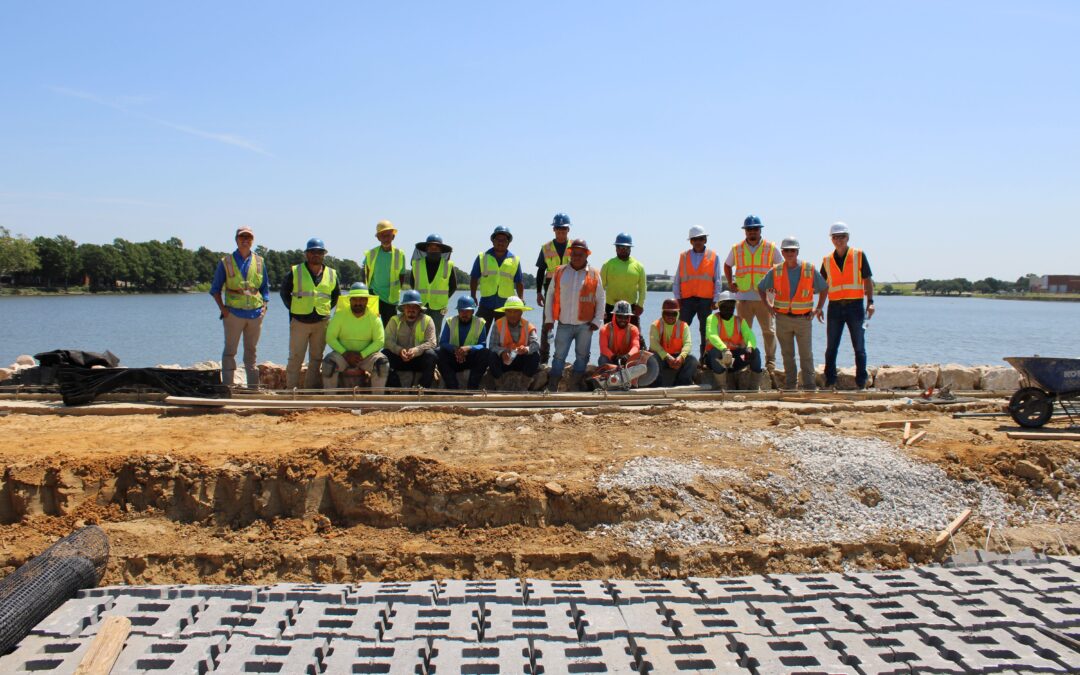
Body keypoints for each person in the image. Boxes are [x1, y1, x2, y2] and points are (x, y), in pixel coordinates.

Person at [757, 237, 828, 390]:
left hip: (804, 319)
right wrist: (768, 306)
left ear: (797, 252)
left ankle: (809, 386)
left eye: (793, 250)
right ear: (782, 252)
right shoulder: (776, 271)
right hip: (783, 319)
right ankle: (790, 386)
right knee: (787, 355)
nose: (790, 253)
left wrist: (819, 308)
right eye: (787, 250)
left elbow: (824, 287)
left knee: (806, 355)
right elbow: (761, 287)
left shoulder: (809, 269)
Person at [210, 226, 269, 387]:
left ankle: (253, 389)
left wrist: (264, 307)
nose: (245, 240)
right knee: (230, 352)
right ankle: (228, 387)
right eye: (242, 237)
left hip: (255, 314)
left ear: (252, 241)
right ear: (236, 240)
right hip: (233, 314)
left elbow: (265, 287)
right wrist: (223, 310)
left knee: (251, 353)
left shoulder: (259, 261)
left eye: (249, 238)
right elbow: (215, 289)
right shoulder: (226, 262)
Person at [544, 239, 605, 391]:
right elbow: (550, 295)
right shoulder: (560, 272)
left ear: (586, 255)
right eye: (574, 253)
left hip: (585, 325)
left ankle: (575, 384)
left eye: (580, 254)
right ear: (570, 254)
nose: (577, 257)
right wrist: (549, 319)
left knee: (582, 356)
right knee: (558, 355)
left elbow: (600, 298)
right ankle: (553, 385)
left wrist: (597, 321)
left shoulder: (594, 274)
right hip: (564, 323)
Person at [821, 221, 875, 389]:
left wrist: (870, 302)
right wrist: (819, 307)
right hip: (835, 307)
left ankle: (861, 381)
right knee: (831, 347)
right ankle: (830, 380)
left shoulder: (859, 255)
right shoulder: (827, 260)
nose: (839, 240)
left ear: (848, 237)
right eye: (835, 237)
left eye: (842, 237)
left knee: (859, 346)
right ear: (831, 239)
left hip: (855, 307)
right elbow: (822, 286)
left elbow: (868, 280)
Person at [724, 215, 781, 373]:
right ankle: (744, 361)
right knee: (743, 332)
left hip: (764, 298)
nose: (752, 232)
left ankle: (770, 363)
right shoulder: (737, 248)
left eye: (755, 229)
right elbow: (727, 265)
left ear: (760, 230)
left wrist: (775, 286)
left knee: (768, 331)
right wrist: (730, 282)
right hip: (743, 297)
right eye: (749, 229)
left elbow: (781, 268)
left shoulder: (771, 247)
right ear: (745, 231)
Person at [280, 237, 339, 389]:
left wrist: (323, 309)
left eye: (319, 252)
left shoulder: (332, 274)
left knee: (316, 359)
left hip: (321, 322)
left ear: (324, 254)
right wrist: (295, 309)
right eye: (312, 252)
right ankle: (291, 392)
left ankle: (309, 391)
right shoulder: (295, 271)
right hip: (299, 322)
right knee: (295, 358)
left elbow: (335, 296)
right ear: (306, 254)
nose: (316, 255)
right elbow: (284, 292)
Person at [321, 283, 389, 391]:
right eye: (355, 299)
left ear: (367, 301)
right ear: (350, 300)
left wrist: (362, 354)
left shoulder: (375, 318)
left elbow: (379, 341)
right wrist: (345, 353)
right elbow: (330, 337)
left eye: (361, 299)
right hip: (343, 355)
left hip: (366, 356)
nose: (358, 302)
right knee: (328, 364)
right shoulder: (339, 315)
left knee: (382, 364)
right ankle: (329, 400)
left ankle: (377, 401)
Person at [674, 225, 723, 358]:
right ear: (691, 241)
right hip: (686, 300)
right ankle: (677, 354)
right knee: (681, 328)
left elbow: (717, 280)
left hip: (705, 300)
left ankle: (704, 358)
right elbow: (677, 279)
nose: (698, 241)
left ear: (705, 240)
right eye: (695, 239)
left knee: (705, 331)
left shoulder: (713, 256)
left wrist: (715, 299)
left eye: (701, 239)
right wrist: (677, 298)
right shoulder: (683, 256)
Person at [704, 291, 763, 388]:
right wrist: (724, 349)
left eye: (731, 305)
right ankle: (722, 386)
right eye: (725, 305)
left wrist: (750, 347)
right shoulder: (712, 318)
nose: (728, 308)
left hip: (735, 360)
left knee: (755, 352)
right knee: (715, 352)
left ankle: (754, 386)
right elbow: (712, 334)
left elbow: (750, 335)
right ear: (719, 306)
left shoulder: (740, 321)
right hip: (716, 359)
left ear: (734, 306)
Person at [535, 213, 572, 363]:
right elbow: (540, 271)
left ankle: (561, 358)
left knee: (566, 325)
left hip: (569, 291)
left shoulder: (575, 246)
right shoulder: (546, 248)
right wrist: (538, 292)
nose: (561, 231)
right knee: (547, 324)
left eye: (563, 229)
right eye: (558, 228)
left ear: (568, 229)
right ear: (554, 229)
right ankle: (543, 359)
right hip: (550, 289)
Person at [383, 289, 438, 388]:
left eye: (414, 307)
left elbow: (432, 342)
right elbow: (387, 341)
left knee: (431, 355)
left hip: (418, 359)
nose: (411, 310)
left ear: (419, 308)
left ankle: (423, 387)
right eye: (408, 306)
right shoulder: (394, 320)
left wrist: (416, 350)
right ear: (403, 308)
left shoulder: (427, 320)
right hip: (400, 358)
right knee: (384, 354)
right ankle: (395, 387)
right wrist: (399, 350)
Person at [471, 226, 525, 324]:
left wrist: (521, 299)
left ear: (508, 242)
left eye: (504, 240)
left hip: (505, 306)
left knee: (503, 336)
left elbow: (519, 282)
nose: (501, 242)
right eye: (498, 240)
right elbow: (474, 277)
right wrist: (473, 295)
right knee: (478, 332)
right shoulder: (482, 257)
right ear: (493, 241)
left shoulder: (514, 260)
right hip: (486, 303)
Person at [597, 300, 658, 387]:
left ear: (629, 317)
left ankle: (633, 383)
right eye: (620, 316)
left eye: (626, 317)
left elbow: (636, 346)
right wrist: (613, 357)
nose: (623, 320)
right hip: (611, 360)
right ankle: (607, 384)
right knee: (602, 359)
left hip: (628, 361)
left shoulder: (633, 329)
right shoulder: (605, 329)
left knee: (640, 359)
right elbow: (603, 348)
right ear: (614, 316)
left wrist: (628, 356)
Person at [437, 295, 489, 390]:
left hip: (470, 357)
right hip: (454, 357)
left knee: (485, 353)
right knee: (439, 352)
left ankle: (472, 387)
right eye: (462, 311)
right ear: (458, 311)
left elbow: (483, 344)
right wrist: (455, 349)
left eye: (468, 311)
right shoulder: (450, 321)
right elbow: (443, 342)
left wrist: (469, 348)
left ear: (473, 311)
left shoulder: (480, 322)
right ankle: (452, 387)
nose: (464, 314)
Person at [362, 220, 408, 326]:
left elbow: (402, 276)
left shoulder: (399, 254)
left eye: (388, 235)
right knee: (373, 326)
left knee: (390, 328)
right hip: (374, 296)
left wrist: (396, 290)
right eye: (382, 236)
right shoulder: (371, 253)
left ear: (393, 237)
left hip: (391, 299)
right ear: (378, 237)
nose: (385, 238)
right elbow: (365, 273)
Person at [487, 295, 541, 384]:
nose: (512, 314)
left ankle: (525, 381)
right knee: (491, 355)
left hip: (521, 360)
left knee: (535, 356)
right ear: (505, 312)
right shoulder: (498, 324)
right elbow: (492, 346)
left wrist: (526, 349)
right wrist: (502, 352)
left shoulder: (528, 325)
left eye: (515, 311)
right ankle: (500, 382)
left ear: (521, 312)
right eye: (509, 311)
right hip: (504, 360)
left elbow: (536, 344)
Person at [600, 233, 647, 333]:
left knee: (635, 336)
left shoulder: (638, 266)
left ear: (630, 248)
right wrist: (601, 308)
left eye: (626, 247)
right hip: (610, 307)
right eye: (620, 247)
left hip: (632, 308)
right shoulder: (607, 265)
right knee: (609, 336)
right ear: (616, 248)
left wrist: (640, 305)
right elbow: (600, 288)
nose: (623, 249)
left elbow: (643, 288)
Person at [412, 233, 456, 334]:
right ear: (426, 249)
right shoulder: (417, 264)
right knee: (418, 331)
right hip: (420, 305)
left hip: (439, 307)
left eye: (436, 247)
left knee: (435, 332)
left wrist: (443, 298)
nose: (433, 249)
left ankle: (434, 350)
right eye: (431, 247)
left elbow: (453, 286)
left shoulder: (448, 265)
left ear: (441, 250)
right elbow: (412, 284)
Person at [648, 298, 698, 387]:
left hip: (677, 357)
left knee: (692, 361)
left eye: (674, 313)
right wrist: (667, 357)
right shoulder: (655, 325)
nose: (670, 316)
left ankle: (681, 384)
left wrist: (681, 357)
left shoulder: (684, 325)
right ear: (662, 313)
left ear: (678, 313)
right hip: (661, 357)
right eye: (667, 313)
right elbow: (654, 344)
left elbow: (688, 344)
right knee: (653, 359)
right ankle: (656, 385)